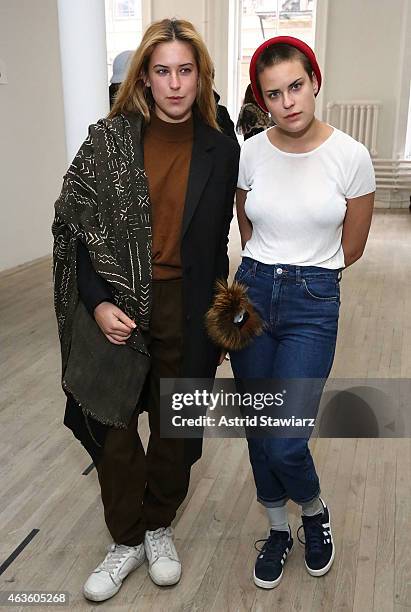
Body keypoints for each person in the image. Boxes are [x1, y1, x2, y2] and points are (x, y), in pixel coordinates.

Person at [52, 17, 239, 603]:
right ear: (144, 78)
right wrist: (98, 300)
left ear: (201, 76)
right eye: (163, 71)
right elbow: (73, 227)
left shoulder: (220, 144)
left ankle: (158, 525)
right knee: (111, 429)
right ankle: (126, 537)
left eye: (186, 71)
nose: (175, 84)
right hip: (116, 306)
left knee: (176, 431)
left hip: (188, 305)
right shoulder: (108, 141)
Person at [229, 36, 375, 589]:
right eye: (274, 94)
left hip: (314, 300)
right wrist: (262, 271)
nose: (288, 101)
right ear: (262, 101)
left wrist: (304, 270)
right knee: (258, 428)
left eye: (296, 86)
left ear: (314, 81)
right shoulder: (251, 152)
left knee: (287, 436)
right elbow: (247, 222)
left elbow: (352, 245)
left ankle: (312, 515)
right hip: (252, 294)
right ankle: (276, 529)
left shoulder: (351, 156)